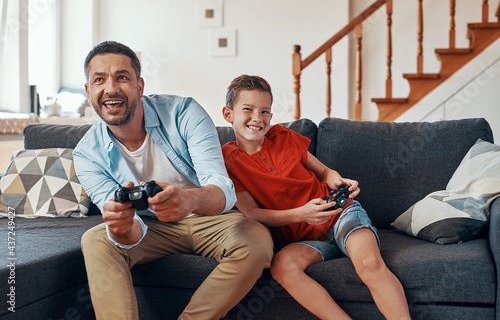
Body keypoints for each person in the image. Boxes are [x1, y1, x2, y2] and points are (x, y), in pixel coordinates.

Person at [73, 42, 273, 320]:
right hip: (151, 226)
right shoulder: (86, 154)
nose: (110, 89)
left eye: (122, 77)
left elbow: (223, 190)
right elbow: (131, 234)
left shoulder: (183, 112)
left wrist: (187, 199)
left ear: (139, 86)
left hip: (211, 219)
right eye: (99, 80)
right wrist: (121, 227)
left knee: (258, 241)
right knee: (95, 240)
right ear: (88, 91)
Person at [221, 75, 411, 320]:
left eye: (265, 111)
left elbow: (323, 171)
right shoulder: (227, 162)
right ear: (228, 114)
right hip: (304, 237)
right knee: (282, 267)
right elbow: (253, 214)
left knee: (368, 263)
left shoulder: (283, 136)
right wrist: (301, 215)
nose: (258, 118)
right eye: (248, 109)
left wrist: (335, 178)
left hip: (340, 214)